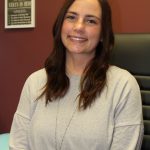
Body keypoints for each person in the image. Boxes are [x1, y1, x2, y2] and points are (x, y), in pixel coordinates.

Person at [9, 0, 143, 149]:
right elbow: (18, 145)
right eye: (71, 17)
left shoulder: (123, 86)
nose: (79, 27)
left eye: (91, 21)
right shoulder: (35, 82)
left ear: (102, 34)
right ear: (61, 26)